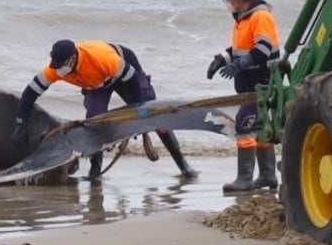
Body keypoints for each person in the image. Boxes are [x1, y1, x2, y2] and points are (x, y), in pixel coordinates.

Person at [13, 38, 197, 180]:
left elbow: (132, 79)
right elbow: (30, 93)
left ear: (72, 59)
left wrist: (137, 115)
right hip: (97, 83)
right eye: (55, 66)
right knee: (94, 120)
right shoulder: (56, 68)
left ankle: (183, 166)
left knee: (155, 118)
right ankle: (95, 169)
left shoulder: (101, 59)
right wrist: (20, 125)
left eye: (61, 66)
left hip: (125, 73)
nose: (58, 70)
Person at [209, 0, 280, 194]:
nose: (227, 4)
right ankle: (268, 175)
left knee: (245, 124)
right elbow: (239, 47)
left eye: (227, 0)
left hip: (261, 80)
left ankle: (245, 178)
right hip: (249, 83)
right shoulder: (242, 18)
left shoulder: (261, 17)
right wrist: (221, 58)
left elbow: (262, 50)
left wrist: (239, 66)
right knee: (259, 125)